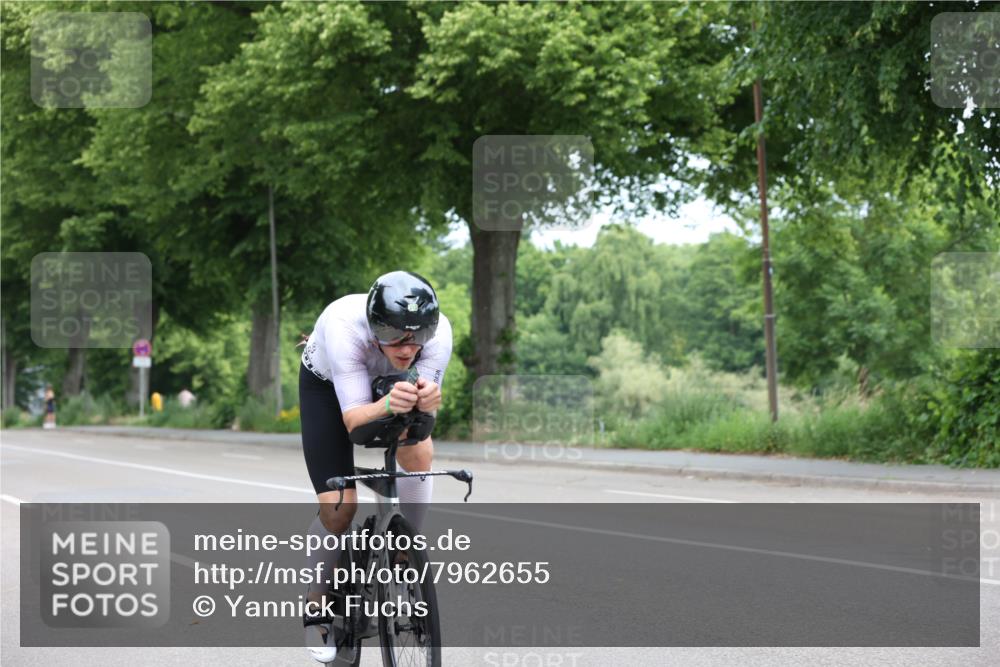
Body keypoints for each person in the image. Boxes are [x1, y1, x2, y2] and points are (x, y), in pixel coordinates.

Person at [298, 270, 452, 662]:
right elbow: (354, 424)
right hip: (330, 390)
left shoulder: (436, 335)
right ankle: (316, 599)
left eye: (417, 337)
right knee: (340, 507)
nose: (409, 347)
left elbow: (421, 413)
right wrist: (387, 404)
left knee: (418, 453)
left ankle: (406, 548)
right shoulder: (344, 328)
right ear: (376, 327)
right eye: (398, 337)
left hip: (389, 385)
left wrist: (427, 399)